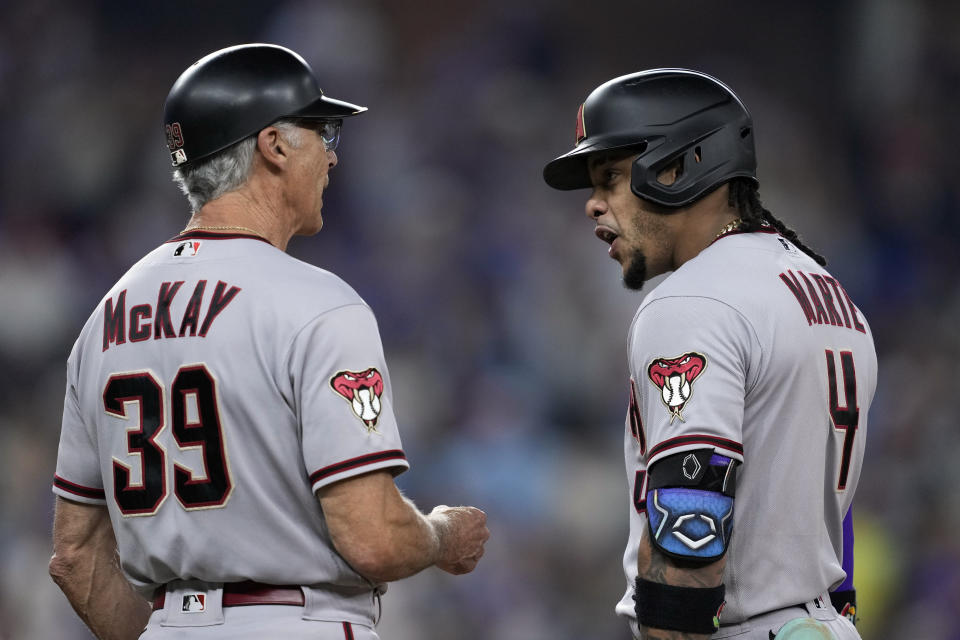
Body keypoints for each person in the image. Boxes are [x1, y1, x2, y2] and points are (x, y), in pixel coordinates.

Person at [49, 43, 489, 640]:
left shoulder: (105, 316)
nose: (333, 157)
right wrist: (441, 536)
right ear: (274, 146)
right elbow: (374, 538)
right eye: (322, 132)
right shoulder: (316, 302)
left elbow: (75, 558)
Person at [543, 69, 874, 639]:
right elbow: (828, 525)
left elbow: (691, 538)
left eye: (612, 177)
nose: (594, 206)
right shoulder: (823, 289)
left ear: (679, 166)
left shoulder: (693, 299)